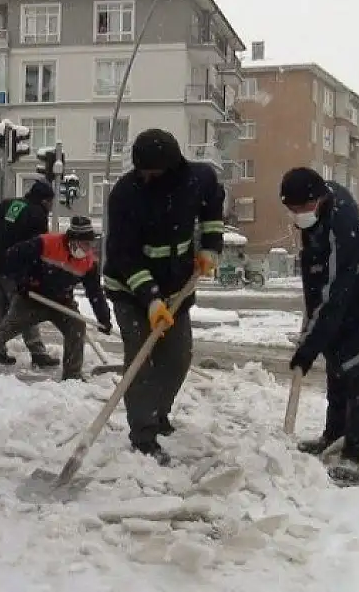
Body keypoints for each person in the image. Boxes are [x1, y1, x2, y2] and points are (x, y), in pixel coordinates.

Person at [103, 128, 225, 465]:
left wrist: (211, 248)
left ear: (172, 166)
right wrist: (151, 298)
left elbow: (213, 207)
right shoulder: (126, 195)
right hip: (129, 289)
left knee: (178, 357)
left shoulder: (198, 179)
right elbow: (123, 255)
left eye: (153, 171)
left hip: (177, 286)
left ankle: (159, 413)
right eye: (142, 170)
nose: (147, 177)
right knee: (140, 359)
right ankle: (143, 434)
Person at [280, 167, 359, 482]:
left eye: (304, 208)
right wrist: (312, 332)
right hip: (355, 295)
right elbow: (316, 284)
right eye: (292, 209)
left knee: (358, 366)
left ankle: (354, 452)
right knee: (336, 359)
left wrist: (307, 350)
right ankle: (333, 433)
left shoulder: (342, 226)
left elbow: (333, 296)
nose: (299, 215)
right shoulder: (319, 214)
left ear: (320, 199)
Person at [0, 216, 110, 381]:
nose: (88, 249)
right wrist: (23, 280)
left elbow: (95, 293)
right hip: (31, 299)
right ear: (72, 240)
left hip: (63, 301)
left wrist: (104, 318)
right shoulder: (45, 243)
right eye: (85, 244)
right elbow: (13, 257)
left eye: (90, 244)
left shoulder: (88, 262)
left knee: (77, 326)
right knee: (4, 330)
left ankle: (72, 375)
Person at [0, 180, 60, 368]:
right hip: (15, 269)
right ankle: (38, 352)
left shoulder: (11, 204)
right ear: (44, 201)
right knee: (25, 310)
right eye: (50, 203)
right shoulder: (37, 213)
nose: (50, 207)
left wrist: (6, 229)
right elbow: (40, 247)